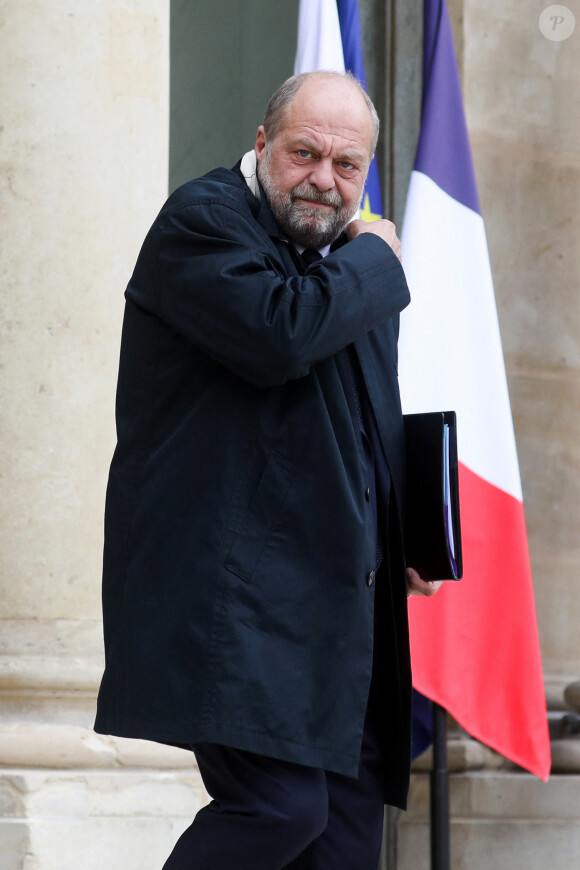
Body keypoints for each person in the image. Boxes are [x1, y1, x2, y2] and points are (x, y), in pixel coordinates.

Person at [94, 71, 440, 870]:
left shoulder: (344, 258)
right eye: (305, 153)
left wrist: (401, 535)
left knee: (344, 835)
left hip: (336, 606)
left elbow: (361, 418)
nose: (324, 179)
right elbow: (280, 336)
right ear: (261, 144)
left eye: (347, 166)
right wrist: (378, 260)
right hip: (238, 604)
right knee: (278, 809)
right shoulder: (205, 221)